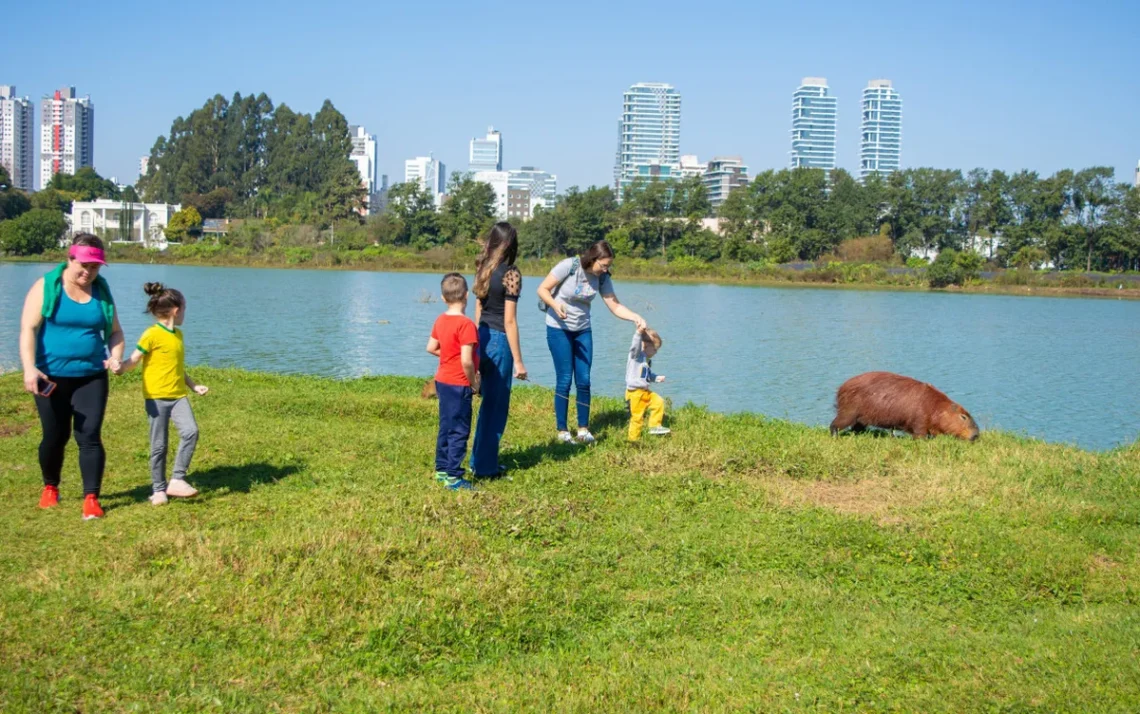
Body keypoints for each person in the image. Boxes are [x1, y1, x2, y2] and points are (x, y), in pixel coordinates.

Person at [19, 234, 125, 520]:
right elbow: (28, 329)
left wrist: (115, 356)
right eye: (84, 265)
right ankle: (50, 487)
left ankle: (91, 498)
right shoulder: (46, 287)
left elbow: (115, 331)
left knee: (89, 435)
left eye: (95, 267)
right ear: (71, 258)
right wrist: (30, 368)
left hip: (91, 376)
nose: (88, 272)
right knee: (55, 435)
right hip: (50, 375)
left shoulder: (101, 291)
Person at [537, 240, 647, 444]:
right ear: (592, 258)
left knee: (584, 380)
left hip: (583, 330)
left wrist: (634, 316)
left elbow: (614, 305)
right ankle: (562, 430)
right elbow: (543, 289)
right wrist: (555, 304)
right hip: (558, 328)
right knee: (564, 379)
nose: (606, 269)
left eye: (608, 266)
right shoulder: (569, 266)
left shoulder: (602, 277)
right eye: (603, 265)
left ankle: (583, 429)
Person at [114, 283, 208, 505]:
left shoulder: (178, 335)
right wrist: (120, 368)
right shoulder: (152, 334)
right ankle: (158, 490)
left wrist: (193, 386)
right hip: (156, 397)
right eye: (184, 309)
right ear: (176, 310)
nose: (185, 313)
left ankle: (177, 479)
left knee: (191, 432)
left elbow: (177, 366)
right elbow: (134, 360)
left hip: (178, 396)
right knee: (159, 445)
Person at [470, 222, 527, 478]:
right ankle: (486, 468)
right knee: (496, 406)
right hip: (499, 340)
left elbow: (478, 311)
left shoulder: (483, 269)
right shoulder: (511, 274)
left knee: (486, 405)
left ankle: (479, 460)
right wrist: (519, 361)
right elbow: (510, 321)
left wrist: (474, 342)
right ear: (511, 244)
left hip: (480, 336)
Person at [426, 273, 479, 491]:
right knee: (459, 430)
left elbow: (431, 348)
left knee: (446, 426)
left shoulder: (441, 320)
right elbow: (467, 361)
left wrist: (448, 354)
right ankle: (454, 477)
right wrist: (473, 382)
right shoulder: (466, 325)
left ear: (443, 298)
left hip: (442, 381)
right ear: (467, 295)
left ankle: (441, 469)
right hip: (459, 384)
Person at [625, 327, 670, 441]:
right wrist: (638, 333)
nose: (655, 352)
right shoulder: (636, 356)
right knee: (637, 418)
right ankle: (633, 440)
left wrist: (656, 378)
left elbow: (646, 375)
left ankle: (655, 426)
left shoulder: (647, 361)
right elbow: (635, 345)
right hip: (635, 393)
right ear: (645, 345)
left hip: (645, 392)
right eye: (655, 349)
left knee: (658, 402)